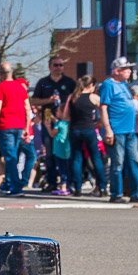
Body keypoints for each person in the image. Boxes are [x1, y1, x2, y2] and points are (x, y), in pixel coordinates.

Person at [99, 56, 138, 202]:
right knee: (117, 163)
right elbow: (103, 107)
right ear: (116, 71)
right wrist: (108, 129)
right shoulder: (108, 85)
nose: (129, 72)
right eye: (126, 69)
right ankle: (116, 194)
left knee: (135, 161)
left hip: (130, 130)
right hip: (117, 131)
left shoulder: (125, 85)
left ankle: (137, 193)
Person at [32, 57, 76, 192]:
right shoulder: (43, 82)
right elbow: (33, 100)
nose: (58, 67)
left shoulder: (69, 82)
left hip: (65, 121)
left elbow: (76, 99)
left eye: (61, 65)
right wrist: (48, 100)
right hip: (48, 119)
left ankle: (67, 181)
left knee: (66, 152)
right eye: (55, 65)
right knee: (50, 153)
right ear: (50, 67)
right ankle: (51, 182)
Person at [0, 60, 32, 195]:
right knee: (14, 155)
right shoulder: (20, 87)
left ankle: (16, 186)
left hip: (5, 125)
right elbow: (27, 108)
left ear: (1, 74)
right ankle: (8, 184)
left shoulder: (1, 86)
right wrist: (26, 127)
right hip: (19, 126)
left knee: (10, 157)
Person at [64, 75, 102, 195]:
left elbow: (65, 116)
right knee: (96, 157)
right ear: (90, 85)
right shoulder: (93, 97)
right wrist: (99, 124)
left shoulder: (72, 97)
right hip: (89, 129)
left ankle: (77, 187)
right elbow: (104, 111)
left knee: (76, 158)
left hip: (75, 130)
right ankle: (102, 186)